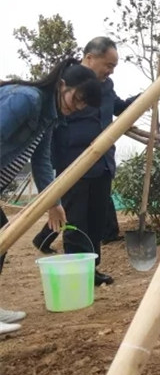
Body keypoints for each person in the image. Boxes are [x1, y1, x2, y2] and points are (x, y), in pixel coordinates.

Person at [0, 58, 101, 335]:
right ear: (63, 84)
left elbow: (42, 162)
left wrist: (54, 203)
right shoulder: (27, 99)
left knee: (2, 235)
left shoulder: (49, 117)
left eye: (82, 106)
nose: (76, 108)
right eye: (77, 99)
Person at [33, 37, 137, 286]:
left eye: (114, 66)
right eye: (108, 64)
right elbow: (51, 127)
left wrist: (149, 95)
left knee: (96, 219)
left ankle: (91, 269)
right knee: (76, 220)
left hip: (102, 163)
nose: (110, 70)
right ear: (89, 58)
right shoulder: (68, 84)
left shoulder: (107, 85)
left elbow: (119, 107)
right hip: (73, 163)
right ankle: (76, 271)